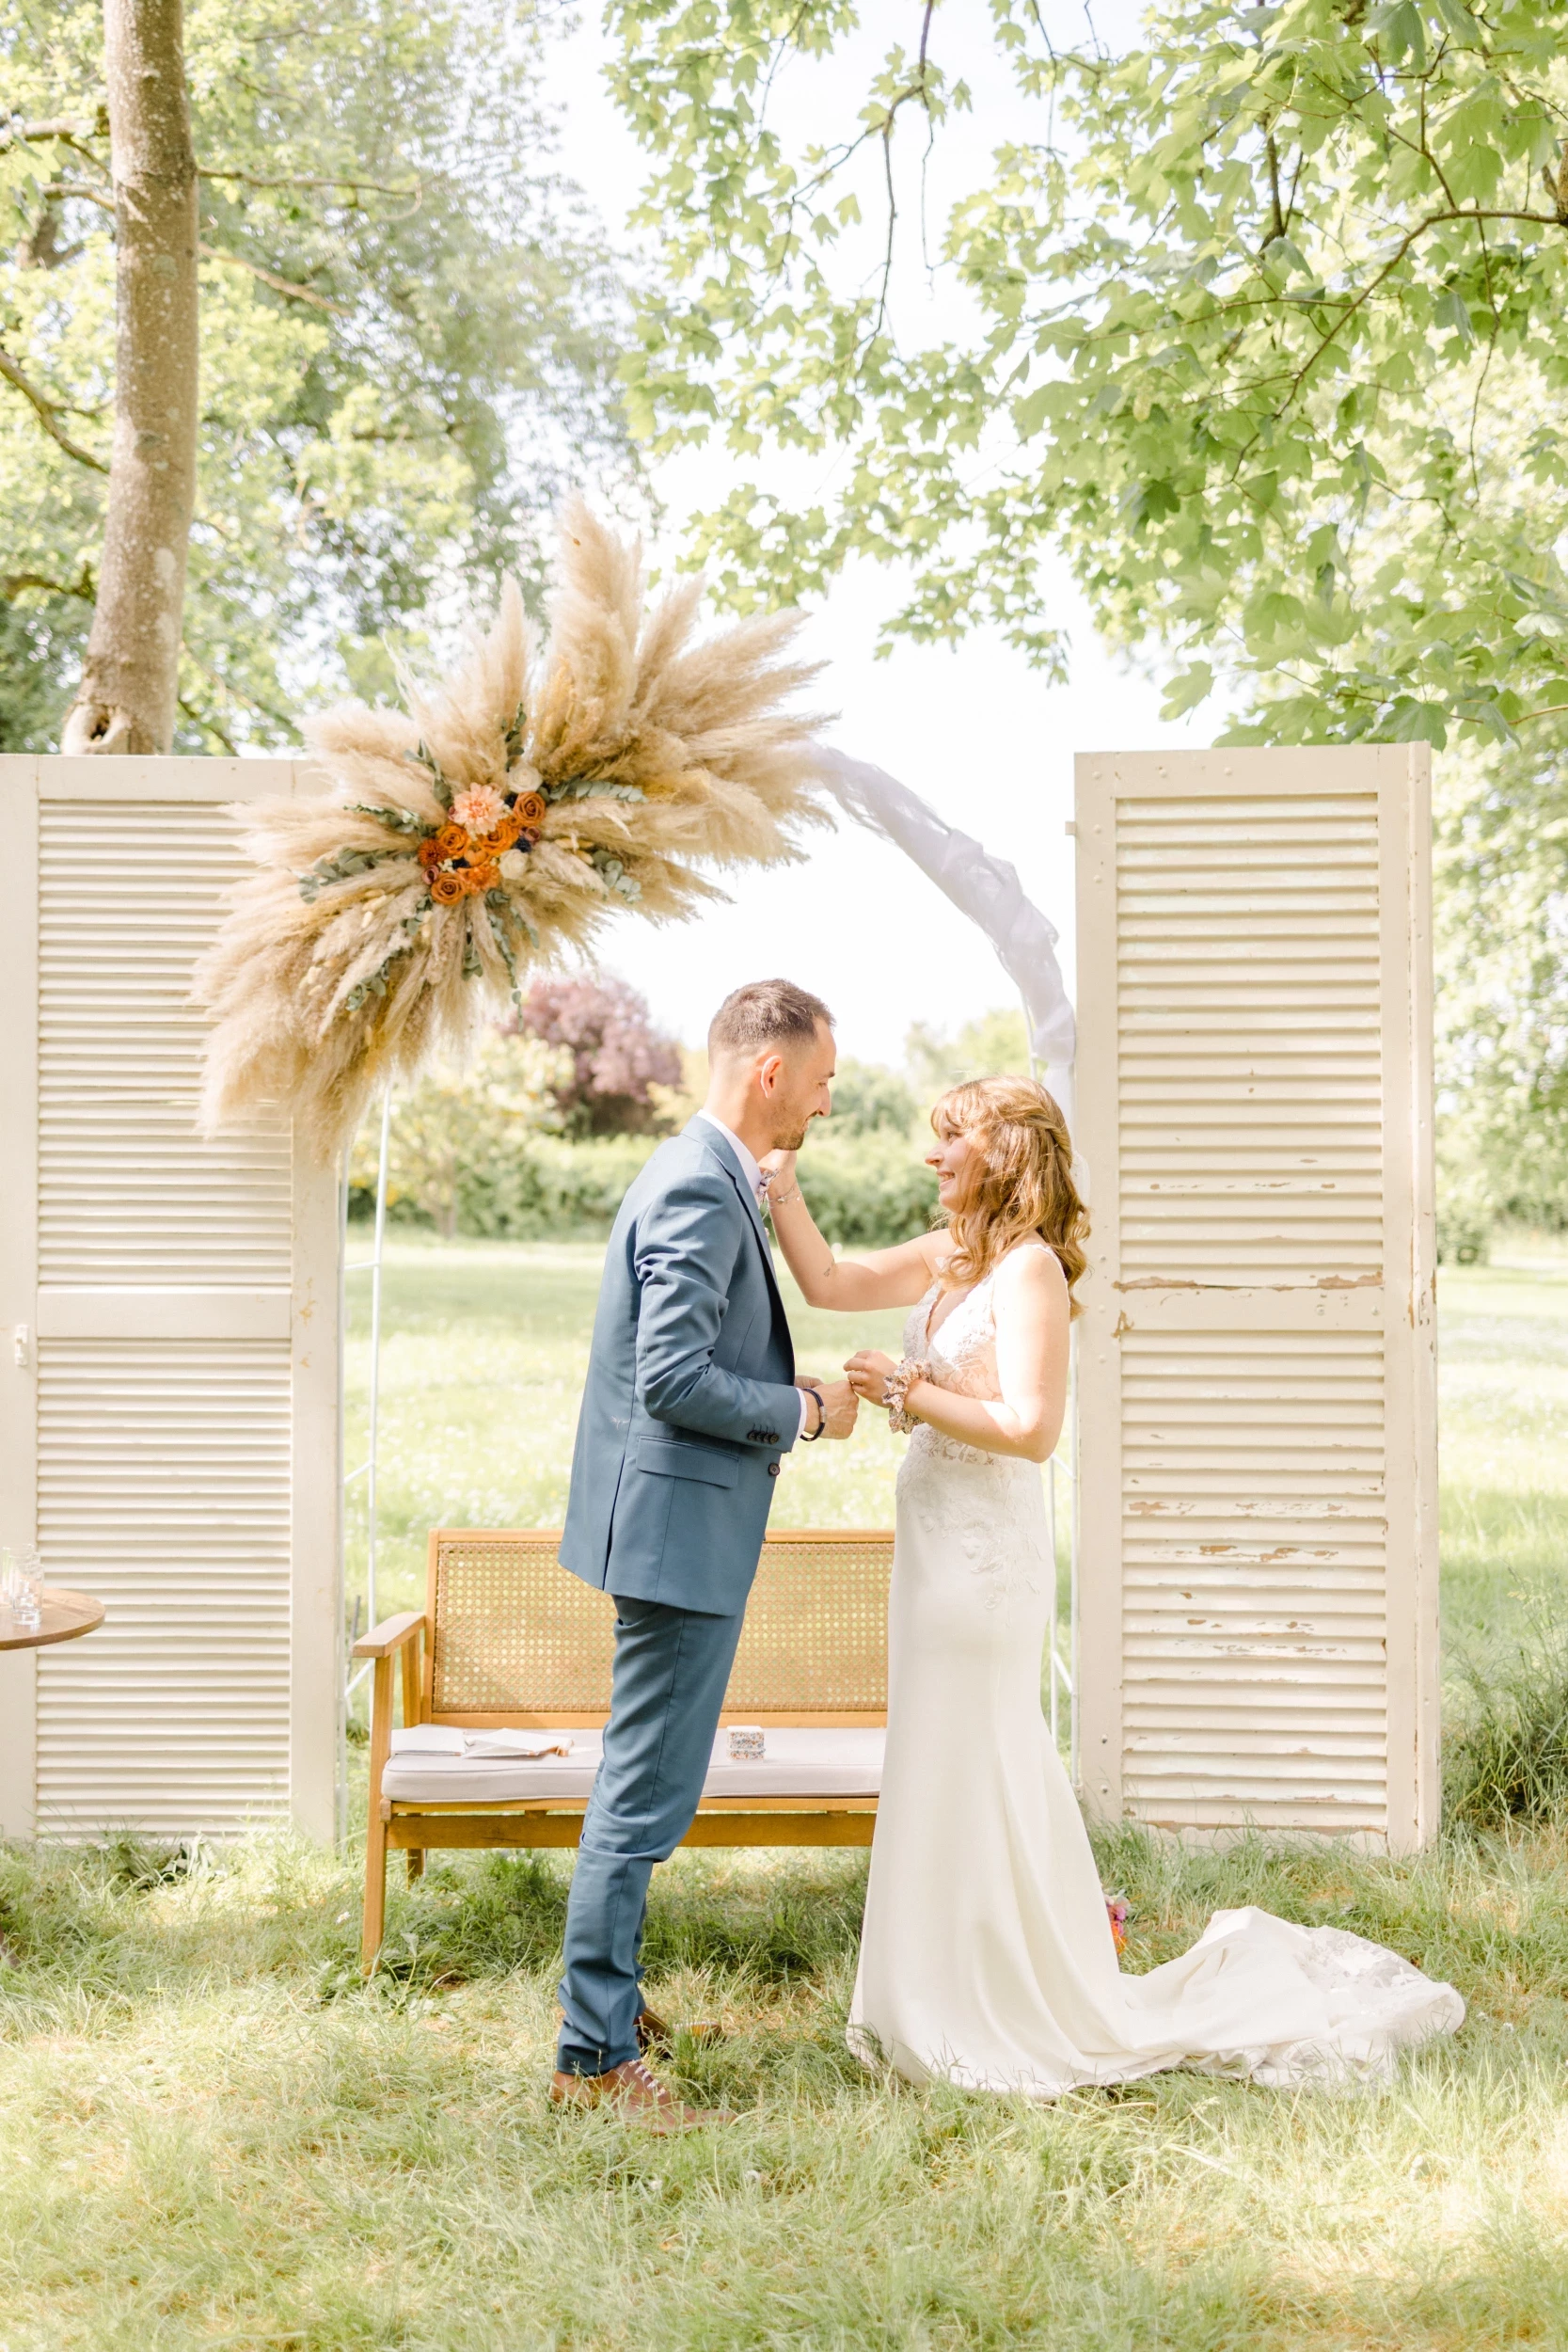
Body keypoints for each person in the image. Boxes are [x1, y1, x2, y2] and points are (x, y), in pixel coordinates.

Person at [763, 1074, 1464, 2097]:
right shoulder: (949, 1257)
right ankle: (927, 1991)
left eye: (949, 1141)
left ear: (999, 1151)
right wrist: (779, 1183)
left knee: (978, 1751)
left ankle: (993, 1995)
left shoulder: (1030, 1271)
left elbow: (1031, 1429)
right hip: (929, 1546)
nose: (932, 1158)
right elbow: (826, 1279)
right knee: (934, 1749)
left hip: (981, 1559)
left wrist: (908, 1388)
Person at [551, 977, 859, 2128]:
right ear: (770, 1072)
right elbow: (672, 1377)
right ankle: (589, 2056)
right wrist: (804, 1407)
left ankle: (611, 2009)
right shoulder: (694, 1183)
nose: (825, 1106)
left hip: (676, 1527)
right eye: (821, 1081)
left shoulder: (714, 1173)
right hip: (676, 1533)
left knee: (650, 1787)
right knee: (638, 1797)